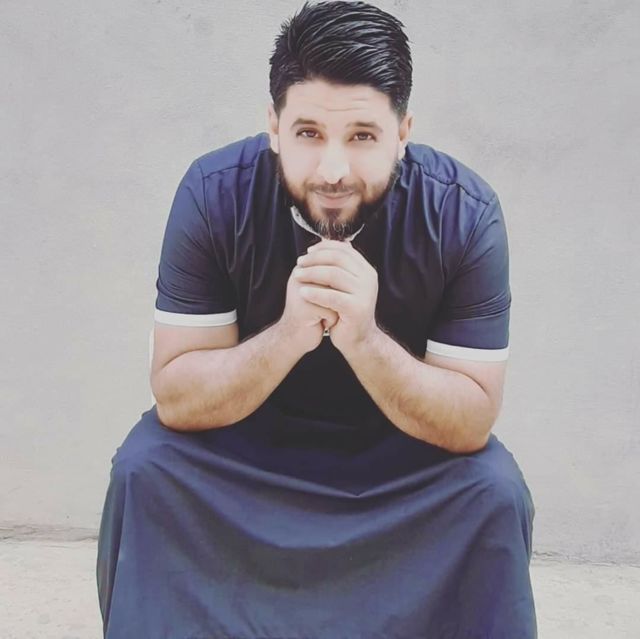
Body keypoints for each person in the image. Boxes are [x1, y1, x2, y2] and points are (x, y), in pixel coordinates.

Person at [97, 1, 536, 637]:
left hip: (402, 462)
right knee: (146, 467)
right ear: (273, 126)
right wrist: (288, 335)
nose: (333, 171)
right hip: (243, 450)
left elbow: (470, 421)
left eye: (362, 136)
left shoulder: (463, 214)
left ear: (403, 132)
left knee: (494, 490)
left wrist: (364, 340)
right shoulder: (214, 194)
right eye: (308, 134)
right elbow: (178, 397)